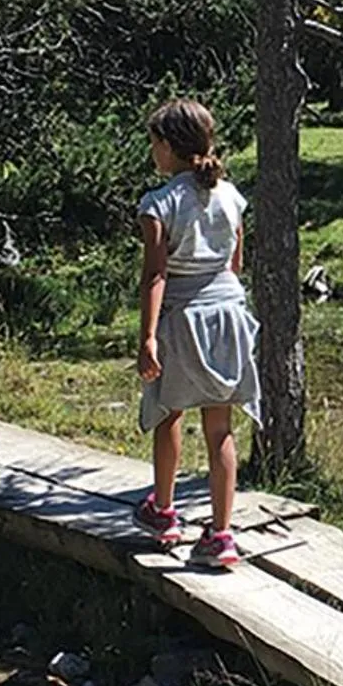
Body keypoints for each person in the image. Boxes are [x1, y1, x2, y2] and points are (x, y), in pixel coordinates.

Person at [132, 99, 262, 571]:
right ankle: (222, 535)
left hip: (182, 315)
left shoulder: (158, 204)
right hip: (228, 311)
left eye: (154, 143)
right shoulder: (231, 196)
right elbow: (235, 263)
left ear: (168, 146)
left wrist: (148, 336)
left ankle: (164, 512)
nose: (153, 152)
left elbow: (155, 276)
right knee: (219, 427)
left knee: (169, 411)